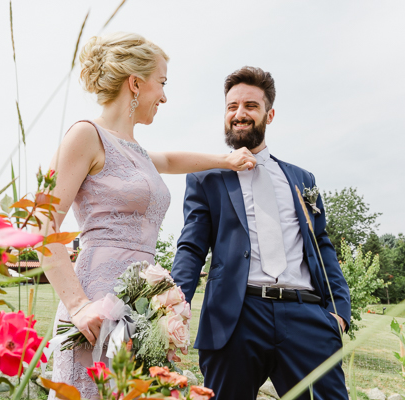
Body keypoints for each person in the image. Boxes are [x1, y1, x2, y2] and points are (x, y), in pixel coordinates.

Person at [39, 33, 256, 399]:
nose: (165, 96)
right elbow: (44, 224)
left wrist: (226, 160)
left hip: (142, 306)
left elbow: (171, 161)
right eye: (163, 83)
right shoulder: (85, 135)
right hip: (97, 300)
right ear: (136, 83)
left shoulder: (137, 152)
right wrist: (78, 306)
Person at [171, 66, 351, 399]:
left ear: (269, 114)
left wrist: (339, 311)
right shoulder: (205, 178)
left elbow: (322, 244)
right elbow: (192, 247)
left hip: (306, 314)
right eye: (231, 107)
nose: (240, 114)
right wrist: (172, 307)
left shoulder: (302, 179)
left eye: (251, 106)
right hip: (235, 320)